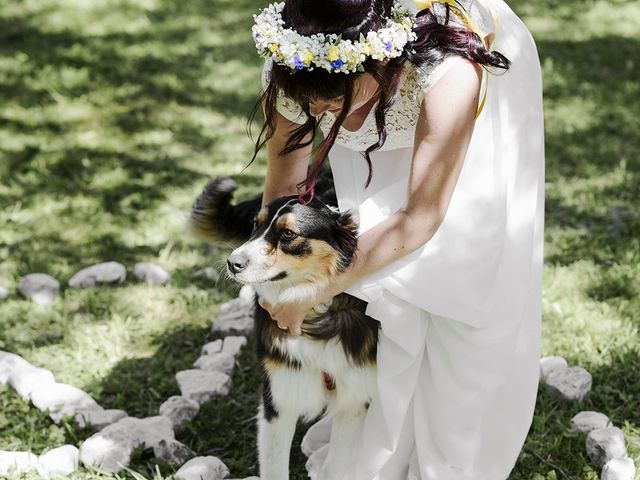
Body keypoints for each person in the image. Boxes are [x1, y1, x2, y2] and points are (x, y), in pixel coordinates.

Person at [251, 0, 544, 478]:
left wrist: (314, 290)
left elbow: (418, 219)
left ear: (380, 59)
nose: (325, 116)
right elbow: (285, 192)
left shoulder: (451, 71)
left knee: (462, 289)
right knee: (386, 294)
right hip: (383, 104)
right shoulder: (297, 62)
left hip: (466, 104)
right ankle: (377, 443)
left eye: (335, 101)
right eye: (313, 106)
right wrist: (276, 282)